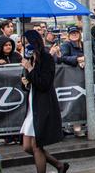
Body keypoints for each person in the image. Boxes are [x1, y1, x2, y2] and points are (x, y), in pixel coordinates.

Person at [20, 30, 69, 173]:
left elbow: (44, 84)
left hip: (43, 105)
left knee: (36, 145)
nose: (24, 46)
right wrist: (24, 82)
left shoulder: (46, 58)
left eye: (27, 43)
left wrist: (30, 69)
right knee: (27, 146)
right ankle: (59, 165)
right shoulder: (29, 59)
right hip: (32, 105)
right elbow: (27, 84)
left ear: (34, 42)